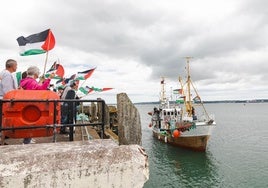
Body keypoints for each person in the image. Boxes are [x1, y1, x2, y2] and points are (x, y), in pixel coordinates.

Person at [20, 66, 55, 144]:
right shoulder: (31, 82)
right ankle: (26, 142)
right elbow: (41, 89)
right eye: (38, 71)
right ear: (35, 73)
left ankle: (27, 140)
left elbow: (36, 87)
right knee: (30, 123)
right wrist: (49, 78)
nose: (39, 73)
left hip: (25, 105)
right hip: (31, 105)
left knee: (27, 123)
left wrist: (41, 80)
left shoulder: (25, 81)